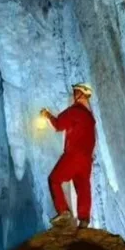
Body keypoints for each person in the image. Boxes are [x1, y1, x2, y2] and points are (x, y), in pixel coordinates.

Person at [40, 83, 97, 229]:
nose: (73, 95)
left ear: (80, 94)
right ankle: (84, 220)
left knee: (54, 179)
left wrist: (47, 115)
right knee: (83, 187)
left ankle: (64, 212)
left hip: (74, 155)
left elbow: (59, 125)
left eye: (75, 92)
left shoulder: (75, 111)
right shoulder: (90, 118)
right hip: (87, 159)